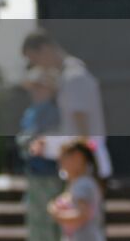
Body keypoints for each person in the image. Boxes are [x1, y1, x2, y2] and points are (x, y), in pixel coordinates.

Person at [22, 29, 113, 178]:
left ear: (45, 49)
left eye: (35, 59)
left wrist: (82, 162)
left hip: (83, 164)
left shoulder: (73, 78)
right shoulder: (69, 76)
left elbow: (81, 126)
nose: (38, 66)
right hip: (82, 162)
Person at [18, 67, 64, 241]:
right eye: (34, 87)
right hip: (34, 173)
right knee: (36, 221)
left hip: (49, 173)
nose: (35, 91)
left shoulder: (53, 112)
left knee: (50, 220)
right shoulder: (31, 111)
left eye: (40, 87)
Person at [48, 141, 106, 241]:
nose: (61, 163)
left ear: (78, 158)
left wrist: (57, 215)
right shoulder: (79, 183)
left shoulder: (83, 184)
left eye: (64, 159)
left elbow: (82, 214)